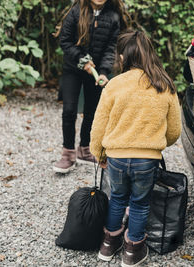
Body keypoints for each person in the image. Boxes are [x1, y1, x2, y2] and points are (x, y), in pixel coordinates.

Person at [89, 30, 181, 267]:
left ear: (123, 57)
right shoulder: (165, 84)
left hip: (117, 156)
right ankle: (133, 251)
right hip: (146, 159)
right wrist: (155, 144)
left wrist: (98, 152)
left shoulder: (115, 85)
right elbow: (173, 132)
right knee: (140, 203)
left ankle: (109, 244)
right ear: (150, 53)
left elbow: (99, 124)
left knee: (117, 198)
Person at [53, 0, 129, 173]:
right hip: (73, 68)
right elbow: (65, 42)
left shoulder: (113, 17)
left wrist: (103, 71)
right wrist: (83, 61)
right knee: (69, 110)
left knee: (92, 112)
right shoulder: (76, 12)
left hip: (96, 72)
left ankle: (85, 150)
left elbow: (110, 48)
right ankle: (68, 154)